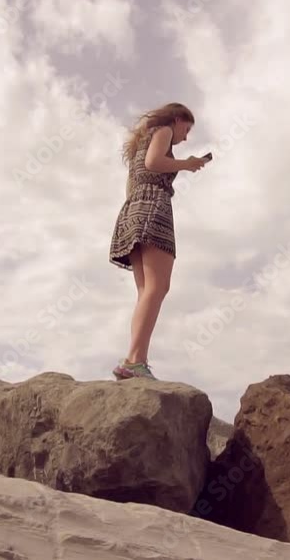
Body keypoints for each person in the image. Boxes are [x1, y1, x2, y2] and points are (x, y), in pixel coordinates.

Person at [108, 102, 208, 380]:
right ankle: (134, 361)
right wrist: (187, 164)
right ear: (176, 120)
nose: (185, 137)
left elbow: (137, 177)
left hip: (133, 209)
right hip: (153, 207)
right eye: (187, 129)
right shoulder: (163, 131)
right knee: (158, 287)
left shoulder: (141, 142)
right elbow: (153, 163)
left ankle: (134, 359)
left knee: (146, 291)